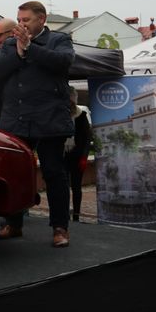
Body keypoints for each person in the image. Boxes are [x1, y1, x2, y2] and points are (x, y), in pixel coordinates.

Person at [0, 1, 76, 248]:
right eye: (19, 19)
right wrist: (18, 50)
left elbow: (62, 62)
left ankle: (60, 227)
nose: (21, 24)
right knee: (14, 173)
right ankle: (14, 224)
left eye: (26, 20)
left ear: (41, 20)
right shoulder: (8, 44)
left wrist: (30, 48)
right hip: (16, 119)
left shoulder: (59, 40)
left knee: (54, 173)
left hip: (49, 119)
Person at [63, 87, 92, 222]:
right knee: (63, 186)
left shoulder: (81, 116)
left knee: (76, 187)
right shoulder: (60, 114)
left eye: (72, 101)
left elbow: (87, 138)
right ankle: (63, 213)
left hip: (77, 156)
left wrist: (84, 157)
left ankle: (76, 215)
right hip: (63, 155)